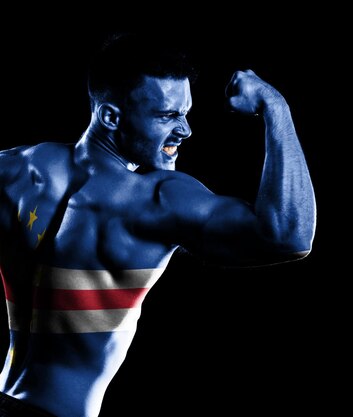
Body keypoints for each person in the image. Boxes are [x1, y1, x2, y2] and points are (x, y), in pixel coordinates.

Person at [0, 34, 316, 417]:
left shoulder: (17, 167)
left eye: (185, 114)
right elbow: (289, 235)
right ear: (111, 117)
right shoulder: (157, 199)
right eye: (167, 116)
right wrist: (275, 107)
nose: (185, 130)